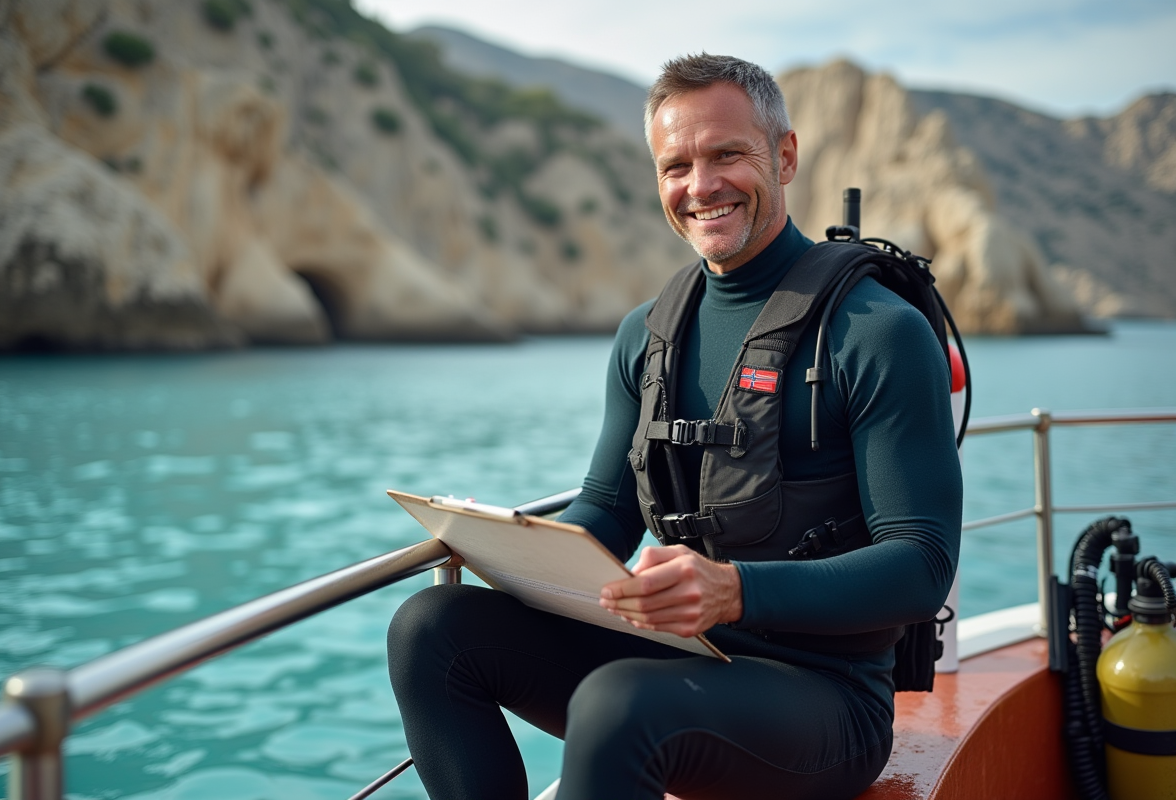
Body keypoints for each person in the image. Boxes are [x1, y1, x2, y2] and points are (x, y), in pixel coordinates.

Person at [387, 53, 961, 800]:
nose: (701, 187)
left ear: (784, 156)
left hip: (828, 697)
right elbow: (608, 513)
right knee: (431, 627)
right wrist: (495, 540)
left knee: (619, 704)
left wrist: (732, 592)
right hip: (679, 652)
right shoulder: (644, 334)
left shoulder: (877, 332)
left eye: (728, 155)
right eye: (676, 166)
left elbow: (921, 567)